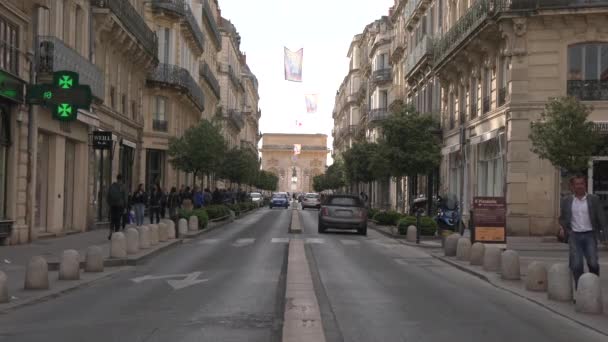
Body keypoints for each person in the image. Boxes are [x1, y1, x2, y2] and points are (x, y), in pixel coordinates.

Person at [559, 175, 607, 290]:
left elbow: (601, 218)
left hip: (590, 235)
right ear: (572, 186)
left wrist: (605, 235)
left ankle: (593, 287)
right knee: (576, 265)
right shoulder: (567, 201)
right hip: (574, 236)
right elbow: (563, 218)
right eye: (577, 184)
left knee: (593, 263)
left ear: (585, 185)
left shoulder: (593, 199)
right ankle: (580, 290)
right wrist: (563, 228)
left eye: (582, 184)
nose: (579, 186)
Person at [107, 174, 128, 240]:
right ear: (121, 179)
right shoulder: (123, 187)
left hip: (113, 205)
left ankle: (110, 232)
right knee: (118, 220)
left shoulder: (112, 186)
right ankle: (116, 234)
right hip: (120, 205)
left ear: (117, 178)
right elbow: (125, 198)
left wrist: (110, 204)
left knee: (112, 220)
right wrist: (125, 207)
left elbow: (108, 196)